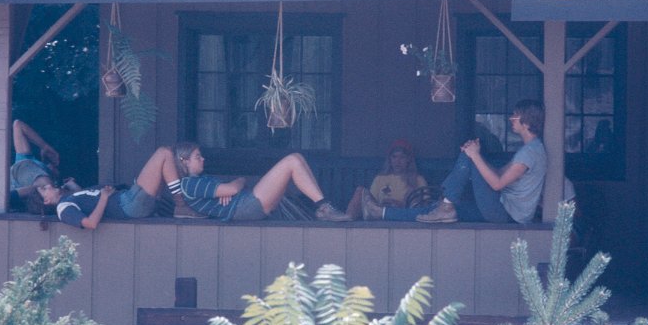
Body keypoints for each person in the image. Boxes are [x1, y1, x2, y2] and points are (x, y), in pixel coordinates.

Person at [362, 99, 547, 224]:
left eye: (515, 115)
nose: (511, 119)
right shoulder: (530, 149)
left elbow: (497, 184)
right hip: (502, 209)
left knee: (468, 156)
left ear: (527, 120)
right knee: (436, 210)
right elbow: (498, 174)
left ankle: (447, 198)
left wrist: (474, 156)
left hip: (507, 214)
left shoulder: (530, 153)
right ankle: (383, 213)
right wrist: (478, 154)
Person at [34, 145, 204, 228]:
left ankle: (192, 195)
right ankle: (182, 205)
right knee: (164, 153)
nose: (47, 186)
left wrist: (73, 186)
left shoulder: (69, 198)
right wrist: (104, 198)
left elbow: (85, 200)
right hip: (128, 204)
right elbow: (90, 223)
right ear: (47, 201)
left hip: (130, 201)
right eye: (43, 190)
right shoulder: (63, 209)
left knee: (168, 162)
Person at [174, 143, 351, 222]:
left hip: (244, 204)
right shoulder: (190, 183)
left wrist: (230, 189)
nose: (203, 159)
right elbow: (232, 189)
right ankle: (324, 207)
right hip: (244, 207)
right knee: (291, 161)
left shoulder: (200, 179)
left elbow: (229, 191)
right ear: (185, 161)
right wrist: (236, 183)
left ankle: (324, 206)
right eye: (197, 157)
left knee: (297, 158)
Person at [346, 139, 429, 219]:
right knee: (360, 190)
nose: (398, 161)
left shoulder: (418, 180)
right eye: (394, 157)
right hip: (380, 215)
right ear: (390, 159)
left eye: (402, 157)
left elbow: (425, 206)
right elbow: (370, 203)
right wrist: (382, 204)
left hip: (403, 217)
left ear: (408, 160)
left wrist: (401, 205)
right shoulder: (379, 179)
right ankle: (346, 219)